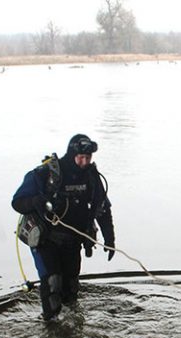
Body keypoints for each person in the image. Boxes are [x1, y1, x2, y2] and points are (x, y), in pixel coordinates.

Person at [12, 134, 115, 320]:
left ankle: (71, 328)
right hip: (47, 240)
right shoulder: (47, 173)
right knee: (52, 283)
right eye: (81, 158)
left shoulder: (91, 177)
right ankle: (51, 329)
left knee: (71, 287)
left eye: (88, 158)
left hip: (73, 240)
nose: (84, 162)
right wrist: (38, 201)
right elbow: (17, 202)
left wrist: (110, 239)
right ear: (72, 154)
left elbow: (103, 209)